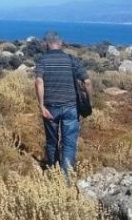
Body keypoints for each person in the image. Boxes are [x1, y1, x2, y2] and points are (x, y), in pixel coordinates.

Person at [34, 31, 93, 174]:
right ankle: (66, 178)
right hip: (71, 107)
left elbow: (38, 81)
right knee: (69, 143)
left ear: (46, 45)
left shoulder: (42, 61)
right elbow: (88, 82)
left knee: (52, 141)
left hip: (50, 107)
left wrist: (41, 106)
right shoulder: (71, 60)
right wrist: (90, 101)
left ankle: (52, 171)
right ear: (60, 44)